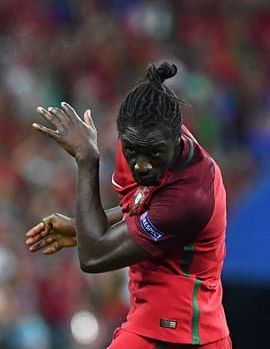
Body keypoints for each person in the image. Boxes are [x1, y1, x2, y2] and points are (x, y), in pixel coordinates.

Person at [25, 62, 232, 349]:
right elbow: (141, 210)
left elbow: (93, 257)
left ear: (177, 138)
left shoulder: (192, 195)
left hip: (181, 333)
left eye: (155, 153)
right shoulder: (139, 139)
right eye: (132, 151)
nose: (142, 165)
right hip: (154, 320)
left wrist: (87, 159)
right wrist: (82, 226)